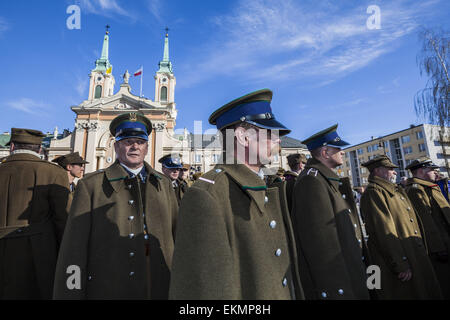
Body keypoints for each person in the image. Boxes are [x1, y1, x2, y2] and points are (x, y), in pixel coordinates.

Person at [169, 89, 304, 300]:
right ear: (243, 137)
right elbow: (205, 291)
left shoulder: (264, 185)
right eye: (269, 133)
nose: (278, 141)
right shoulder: (207, 195)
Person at [53, 112, 178, 299]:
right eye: (128, 141)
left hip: (158, 285)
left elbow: (178, 234)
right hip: (110, 286)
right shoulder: (91, 185)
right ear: (116, 146)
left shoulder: (163, 184)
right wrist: (71, 293)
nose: (135, 146)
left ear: (147, 147)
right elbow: (74, 248)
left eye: (140, 141)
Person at [291, 124, 369, 300]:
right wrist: (339, 292)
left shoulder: (324, 179)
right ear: (325, 153)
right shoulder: (312, 181)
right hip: (341, 285)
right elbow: (322, 246)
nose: (342, 152)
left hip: (352, 273)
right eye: (338, 148)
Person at [0, 128, 70, 299]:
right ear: (40, 150)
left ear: (12, 147)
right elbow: (63, 219)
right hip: (39, 253)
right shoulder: (54, 172)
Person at [360, 155, 442, 299]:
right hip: (402, 259)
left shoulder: (393, 190)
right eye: (390, 169)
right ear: (378, 171)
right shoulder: (374, 192)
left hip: (412, 254)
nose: (395, 172)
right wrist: (400, 264)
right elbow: (384, 231)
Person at [405, 158, 450, 298]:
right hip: (438, 247)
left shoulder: (429, 186)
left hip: (445, 240)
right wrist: (438, 248)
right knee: (444, 283)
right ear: (420, 171)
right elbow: (426, 222)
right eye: (432, 170)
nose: (435, 172)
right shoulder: (416, 190)